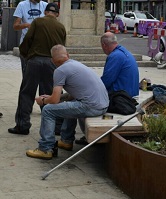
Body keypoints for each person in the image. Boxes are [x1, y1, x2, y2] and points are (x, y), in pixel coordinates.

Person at [26, 45, 109, 160]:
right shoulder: (76, 64)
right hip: (103, 104)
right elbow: (70, 95)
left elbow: (54, 101)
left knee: (48, 110)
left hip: (91, 106)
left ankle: (45, 149)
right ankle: (66, 140)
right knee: (69, 105)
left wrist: (44, 100)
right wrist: (53, 97)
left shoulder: (59, 71)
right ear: (68, 55)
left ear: (52, 61)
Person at [8, 3, 66, 135]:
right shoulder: (61, 27)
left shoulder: (37, 22)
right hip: (52, 62)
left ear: (45, 12)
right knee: (52, 94)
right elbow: (61, 47)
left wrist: (26, 56)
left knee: (26, 93)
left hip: (35, 61)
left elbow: (27, 40)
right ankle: (56, 127)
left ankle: (23, 126)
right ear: (57, 14)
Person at [100, 32, 139, 98]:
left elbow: (107, 80)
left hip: (121, 97)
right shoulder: (123, 52)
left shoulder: (115, 56)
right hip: (130, 93)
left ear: (104, 45)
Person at [13, 0, 48, 72]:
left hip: (42, 44)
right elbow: (15, 26)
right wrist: (27, 25)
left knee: (42, 73)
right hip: (26, 44)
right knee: (27, 72)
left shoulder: (45, 5)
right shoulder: (22, 5)